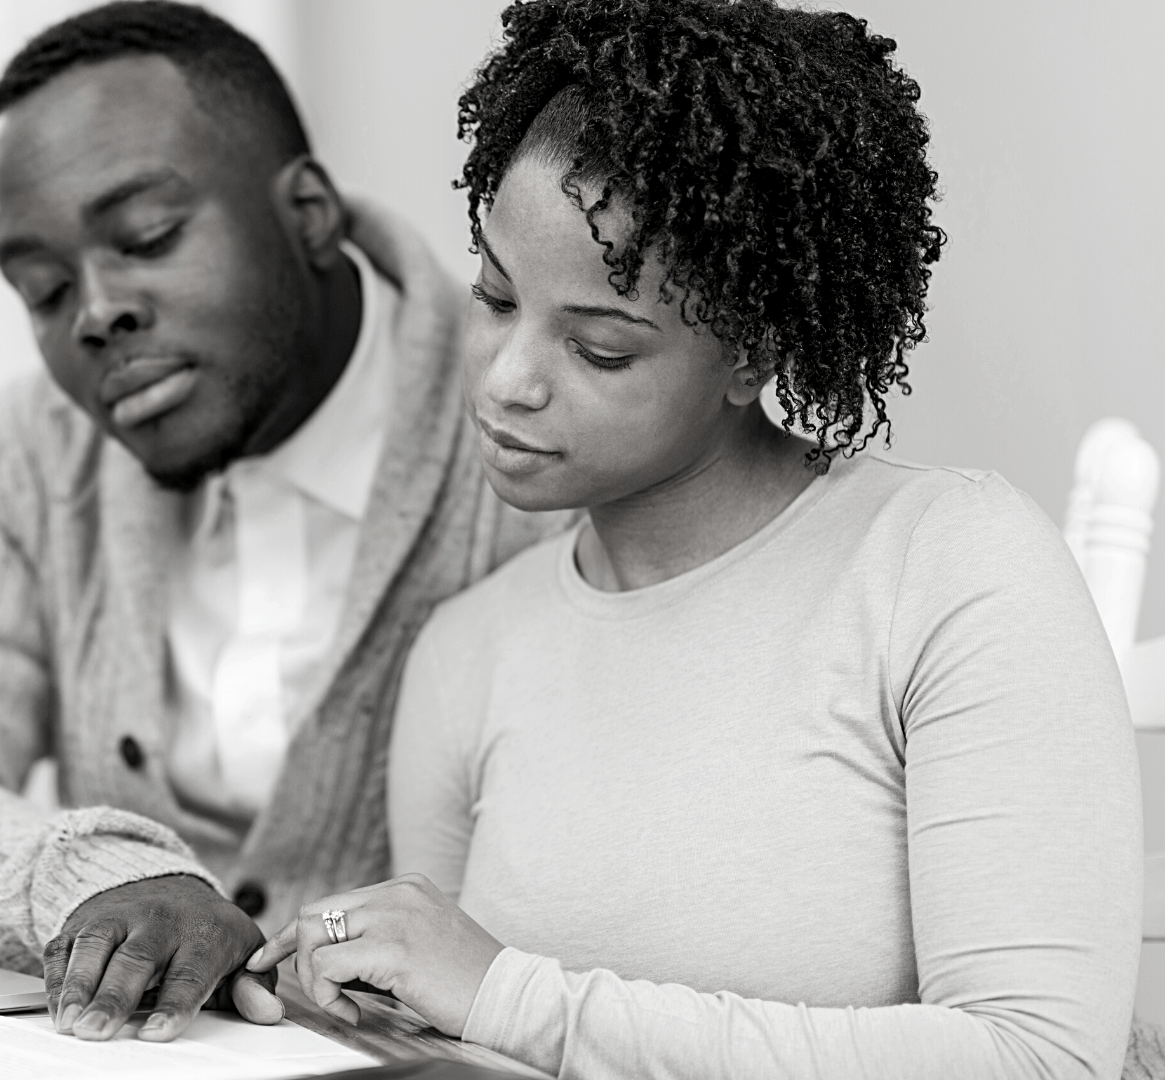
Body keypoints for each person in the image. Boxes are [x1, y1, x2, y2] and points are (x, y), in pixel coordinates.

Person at [249, 1, 1144, 1076]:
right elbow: (450, 1046)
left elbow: (1040, 1058)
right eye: (494, 295)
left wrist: (511, 995)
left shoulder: (949, 567)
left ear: (751, 354)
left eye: (598, 349)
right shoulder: (468, 653)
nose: (504, 380)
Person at [0, 0, 568, 1045]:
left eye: (147, 238)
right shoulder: (35, 455)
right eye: (44, 290)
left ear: (310, 211)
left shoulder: (534, 420)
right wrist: (103, 873)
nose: (96, 313)